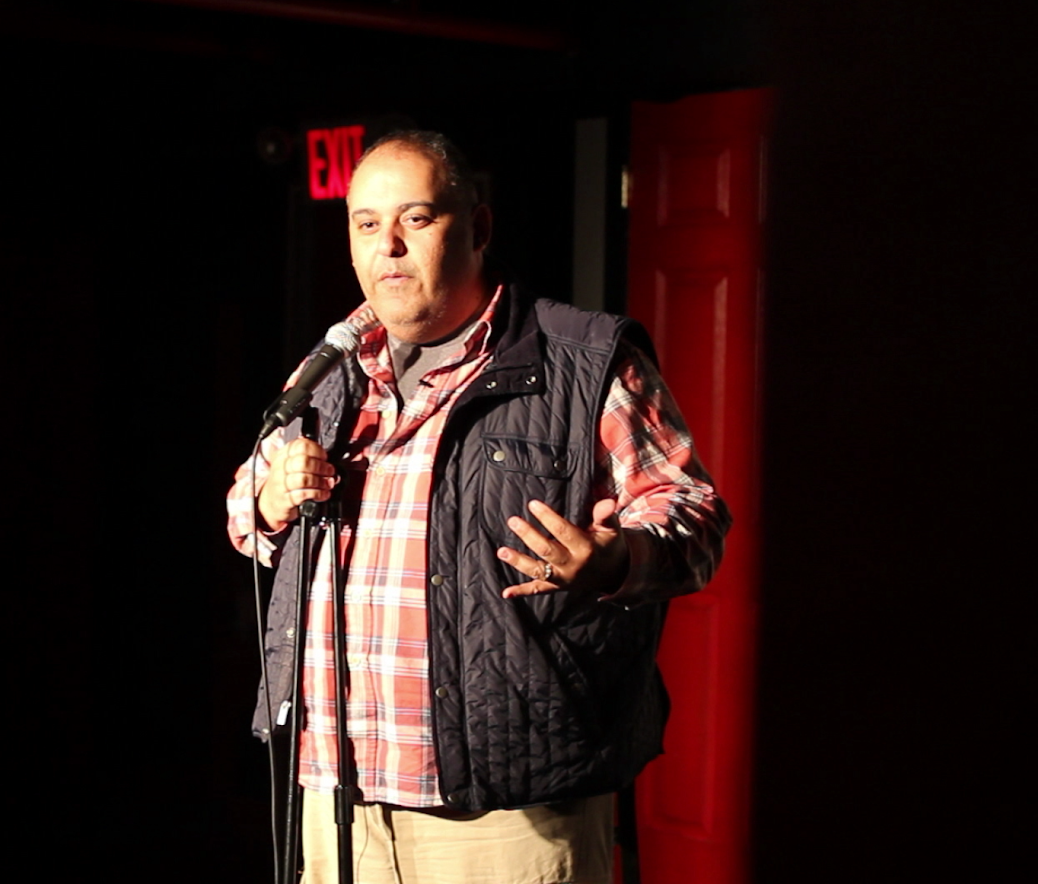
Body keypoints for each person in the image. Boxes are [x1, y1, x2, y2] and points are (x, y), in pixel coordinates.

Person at [227, 131, 729, 884]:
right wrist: (269, 498)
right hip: (336, 802)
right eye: (367, 224)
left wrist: (621, 558)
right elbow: (244, 514)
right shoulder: (328, 372)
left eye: (416, 218)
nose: (389, 246)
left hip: (508, 816)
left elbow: (693, 513)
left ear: (479, 227)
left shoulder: (584, 362)